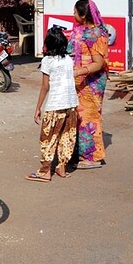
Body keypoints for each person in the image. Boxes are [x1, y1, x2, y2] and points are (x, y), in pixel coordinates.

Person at [26, 27, 78, 182]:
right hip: (71, 104)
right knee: (67, 136)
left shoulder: (47, 61)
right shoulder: (68, 59)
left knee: (48, 138)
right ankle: (61, 167)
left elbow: (45, 87)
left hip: (55, 104)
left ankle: (45, 171)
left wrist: (38, 108)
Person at [69, 0, 109, 169]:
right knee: (78, 116)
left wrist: (77, 72)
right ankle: (78, 153)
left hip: (91, 82)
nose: (73, 15)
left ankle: (92, 157)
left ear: (84, 15)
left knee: (89, 117)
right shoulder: (82, 31)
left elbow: (98, 63)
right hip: (79, 80)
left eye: (75, 12)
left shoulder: (96, 34)